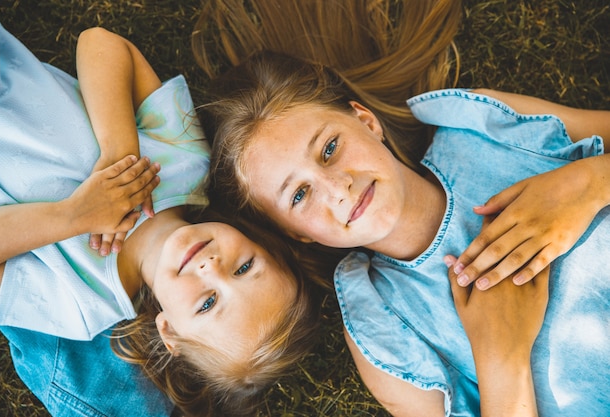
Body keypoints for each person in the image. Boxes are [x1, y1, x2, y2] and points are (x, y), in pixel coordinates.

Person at [191, 0, 610, 415]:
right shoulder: (382, 324)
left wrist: (589, 182)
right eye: (299, 195)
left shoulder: (476, 129)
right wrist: (501, 357)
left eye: (329, 149)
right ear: (295, 233)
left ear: (366, 120)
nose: (338, 188)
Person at [0, 8, 322, 417]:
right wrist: (119, 152)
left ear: (170, 332)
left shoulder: (83, 302)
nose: (211, 268)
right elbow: (101, 43)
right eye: (245, 267)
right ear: (259, 241)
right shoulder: (186, 162)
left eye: (207, 304)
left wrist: (74, 216)